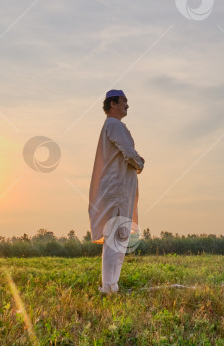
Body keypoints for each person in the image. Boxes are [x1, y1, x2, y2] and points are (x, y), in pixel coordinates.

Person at [88, 89, 144, 294]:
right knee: (115, 237)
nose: (127, 105)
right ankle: (109, 286)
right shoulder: (114, 125)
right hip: (117, 188)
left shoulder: (112, 126)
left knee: (119, 237)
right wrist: (140, 163)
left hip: (119, 188)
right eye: (124, 101)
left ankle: (112, 285)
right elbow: (128, 152)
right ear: (113, 104)